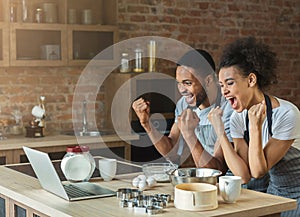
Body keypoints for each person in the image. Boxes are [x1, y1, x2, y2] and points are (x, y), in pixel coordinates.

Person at [208, 37, 300, 216]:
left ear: (251, 80)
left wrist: (255, 128)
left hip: (297, 199)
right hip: (273, 197)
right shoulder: (237, 118)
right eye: (221, 85)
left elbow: (258, 171)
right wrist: (220, 131)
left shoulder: (287, 114)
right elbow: (243, 175)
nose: (224, 91)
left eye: (230, 83)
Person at [132, 49, 233, 174]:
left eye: (188, 83)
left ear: (208, 80)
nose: (182, 90)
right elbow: (172, 152)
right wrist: (146, 124)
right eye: (179, 84)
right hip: (207, 180)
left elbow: (218, 170)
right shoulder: (184, 104)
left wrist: (189, 135)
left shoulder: (229, 106)